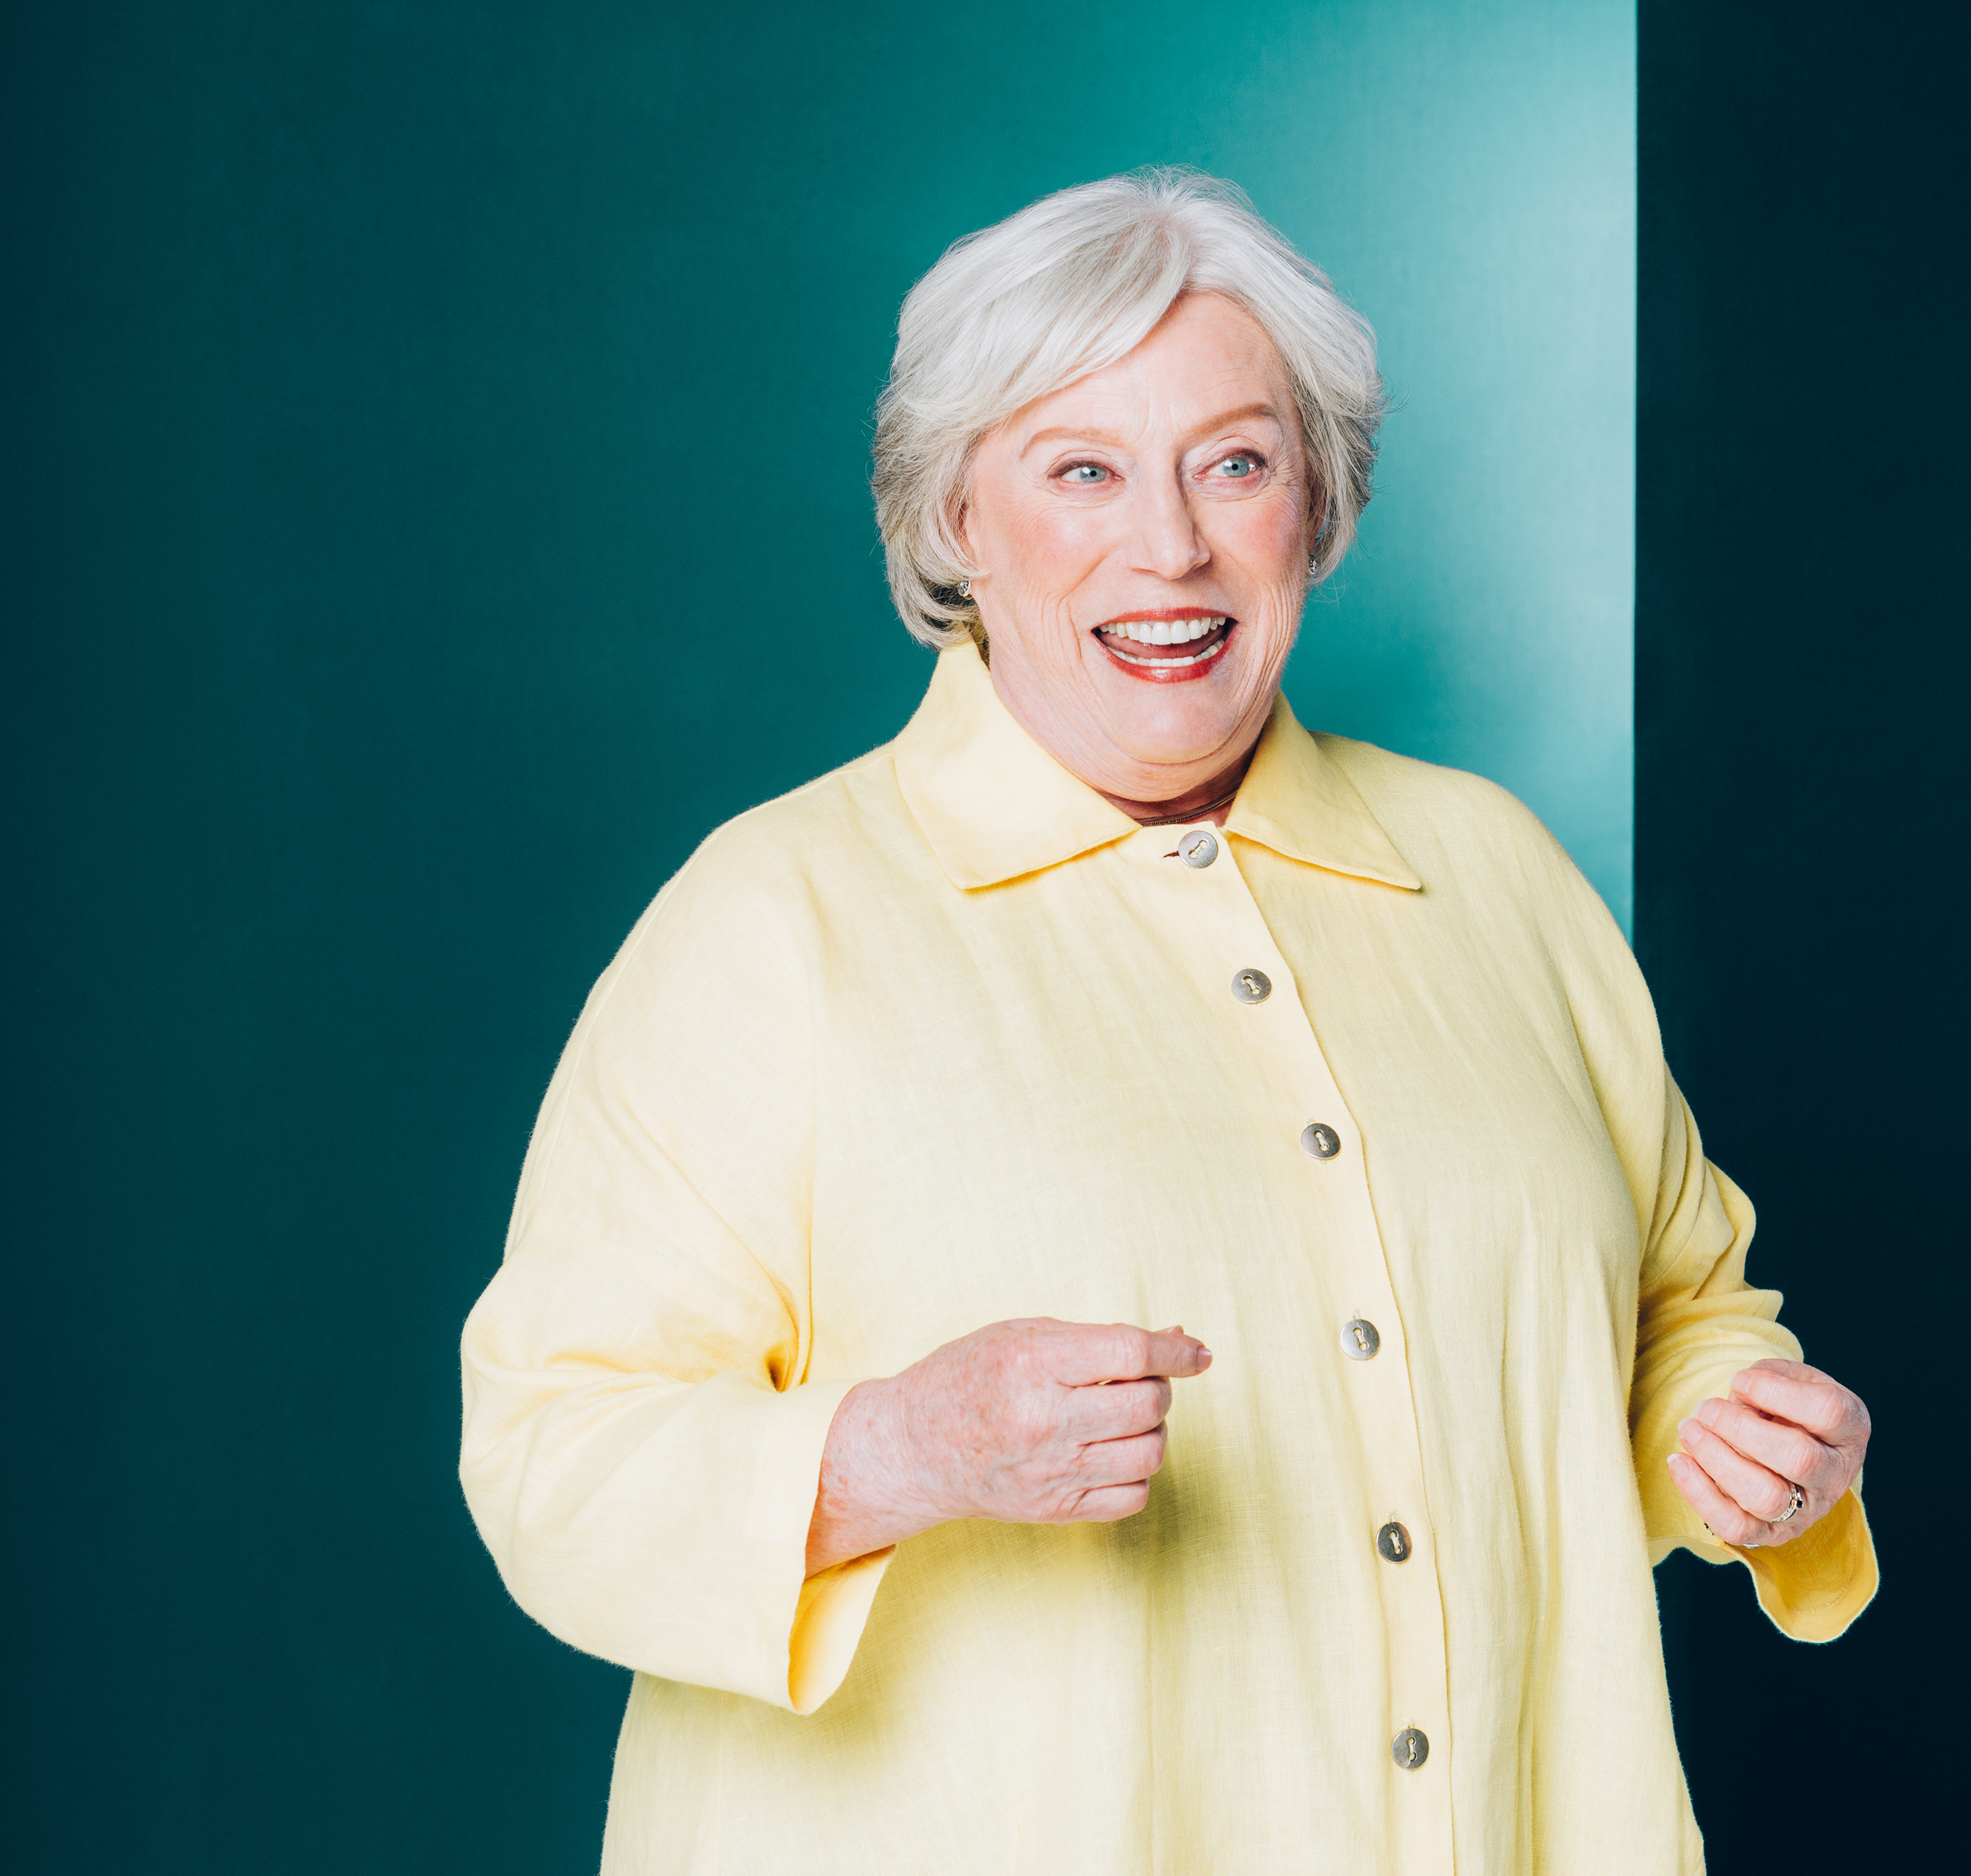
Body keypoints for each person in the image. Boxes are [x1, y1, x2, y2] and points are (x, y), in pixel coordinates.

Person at [459, 168, 1878, 1875]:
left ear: (1318, 498)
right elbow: (551, 1462)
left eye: (1236, 462)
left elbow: (1675, 1308)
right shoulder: (774, 921)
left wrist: (1736, 1431)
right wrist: (903, 1448)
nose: (1172, 546)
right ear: (955, 521)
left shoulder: (1495, 874)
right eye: (1082, 471)